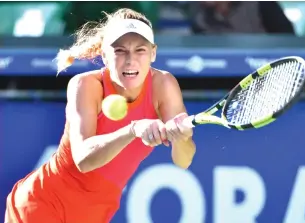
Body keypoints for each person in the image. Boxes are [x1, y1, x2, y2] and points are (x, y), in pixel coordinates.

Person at [5, 8, 196, 223]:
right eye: (120, 50)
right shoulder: (85, 85)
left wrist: (182, 138)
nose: (130, 60)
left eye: (140, 50)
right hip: (42, 204)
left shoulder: (164, 85)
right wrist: (133, 129)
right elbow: (84, 160)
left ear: (153, 53)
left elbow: (183, 160)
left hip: (95, 214)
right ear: (104, 54)